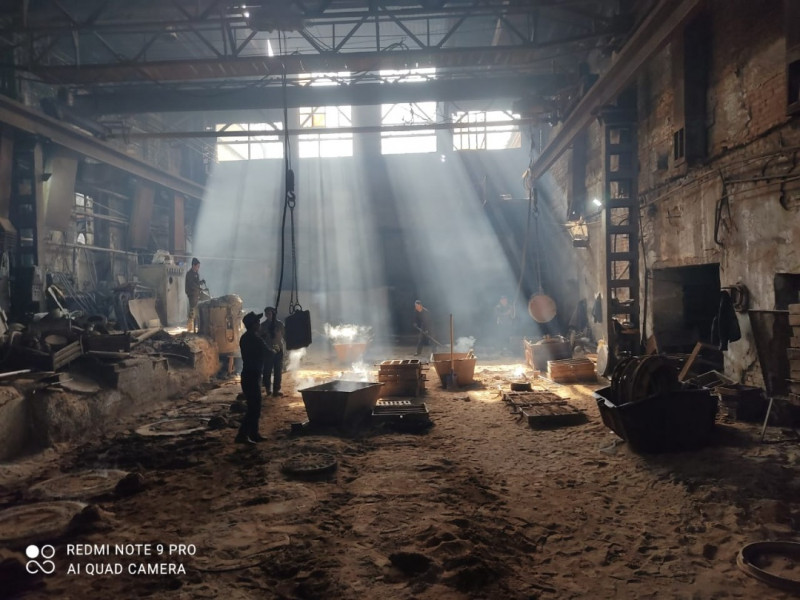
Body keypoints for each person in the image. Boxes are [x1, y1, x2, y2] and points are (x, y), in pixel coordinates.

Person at [236, 311, 268, 444]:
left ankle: (254, 434)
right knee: (254, 408)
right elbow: (268, 353)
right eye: (257, 322)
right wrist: (272, 344)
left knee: (255, 407)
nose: (259, 324)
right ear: (253, 325)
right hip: (252, 376)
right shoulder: (255, 339)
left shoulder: (246, 337)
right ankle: (242, 435)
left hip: (249, 375)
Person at [259, 306, 285, 397]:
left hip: (277, 348)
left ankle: (276, 390)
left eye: (271, 313)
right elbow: (260, 338)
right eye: (267, 314)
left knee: (278, 371)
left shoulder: (280, 324)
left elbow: (284, 335)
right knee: (267, 370)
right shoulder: (263, 325)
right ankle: (268, 389)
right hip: (268, 349)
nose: (269, 315)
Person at [185, 257, 204, 332]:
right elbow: (192, 284)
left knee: (196, 310)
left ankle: (195, 327)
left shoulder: (196, 274)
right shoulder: (189, 274)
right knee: (192, 310)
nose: (198, 268)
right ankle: (190, 327)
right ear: (193, 265)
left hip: (196, 294)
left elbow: (197, 283)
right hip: (192, 294)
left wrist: (201, 282)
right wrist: (198, 288)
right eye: (197, 266)